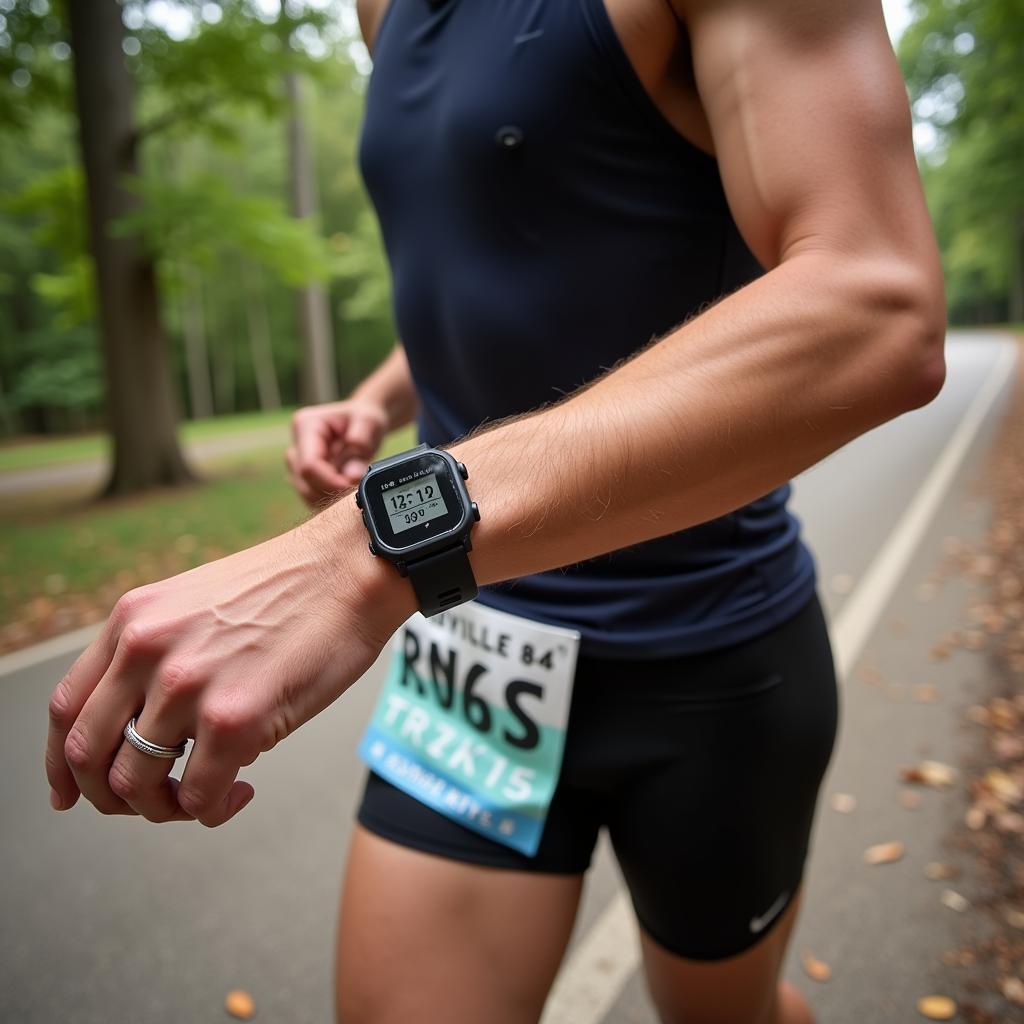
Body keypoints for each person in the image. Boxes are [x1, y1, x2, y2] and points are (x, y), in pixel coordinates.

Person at [45, 0, 946, 1021]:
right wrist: (381, 399)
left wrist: (361, 549)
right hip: (474, 652)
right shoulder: (381, 9)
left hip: (705, 644)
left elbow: (875, 307)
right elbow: (506, 244)